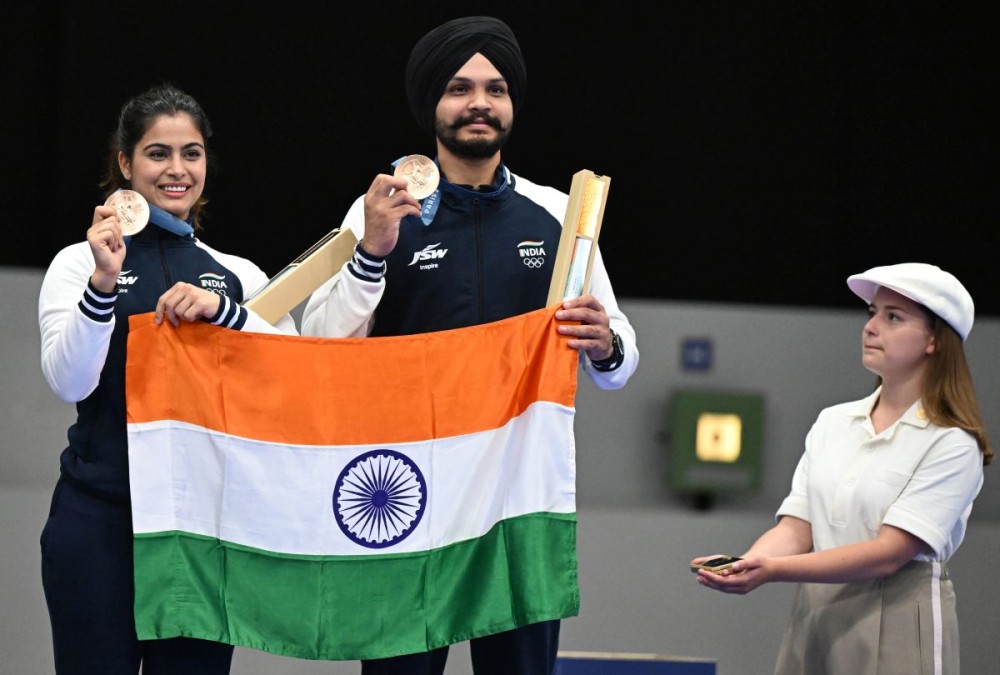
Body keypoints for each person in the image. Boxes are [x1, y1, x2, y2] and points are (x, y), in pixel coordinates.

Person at [300, 15, 638, 675]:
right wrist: (371, 252)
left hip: (519, 500)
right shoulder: (379, 210)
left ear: (512, 104)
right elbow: (321, 343)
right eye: (459, 87)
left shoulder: (559, 216)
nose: (479, 102)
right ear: (432, 104)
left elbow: (619, 357)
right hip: (405, 496)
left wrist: (606, 345)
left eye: (495, 88)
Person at [37, 83, 297, 674]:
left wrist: (227, 312)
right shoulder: (77, 263)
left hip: (201, 530)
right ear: (125, 163)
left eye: (192, 153)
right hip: (99, 522)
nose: (177, 170)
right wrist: (104, 284)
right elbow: (69, 382)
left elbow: (293, 375)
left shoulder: (236, 275)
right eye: (158, 153)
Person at [691, 262, 992, 674]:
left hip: (902, 613)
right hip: (816, 610)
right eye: (872, 313)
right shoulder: (833, 421)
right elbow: (798, 528)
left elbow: (890, 554)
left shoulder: (952, 441)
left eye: (893, 317)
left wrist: (772, 571)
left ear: (934, 340)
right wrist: (746, 563)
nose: (871, 327)